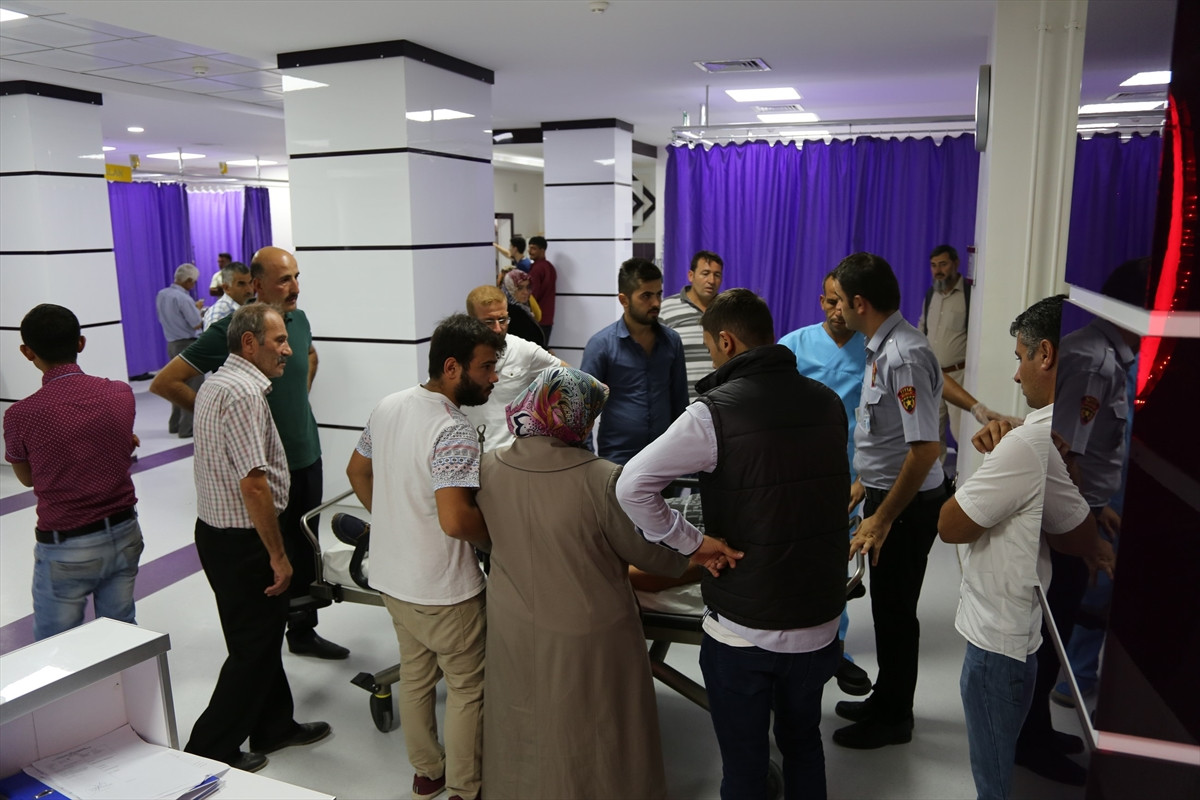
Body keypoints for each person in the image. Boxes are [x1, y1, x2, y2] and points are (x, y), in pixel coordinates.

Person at [619, 288, 848, 800]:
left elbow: (631, 485)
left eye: (709, 347)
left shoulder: (714, 413)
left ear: (725, 341)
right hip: (818, 618)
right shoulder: (827, 402)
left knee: (745, 766)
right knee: (804, 746)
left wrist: (692, 544)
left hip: (745, 629)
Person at [475, 367, 691, 800]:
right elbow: (654, 557)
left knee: (523, 721)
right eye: (591, 415)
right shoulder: (603, 478)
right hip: (590, 630)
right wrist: (699, 553)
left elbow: (487, 537)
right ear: (576, 416)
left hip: (513, 622)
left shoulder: (488, 467)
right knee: (596, 731)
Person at [938, 295, 1115, 800]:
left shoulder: (1028, 445)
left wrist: (997, 463)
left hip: (997, 640)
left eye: (1020, 357)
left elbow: (950, 525)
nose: (1016, 375)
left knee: (992, 780)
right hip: (1017, 634)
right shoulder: (1043, 439)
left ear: (1046, 355)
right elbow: (1075, 534)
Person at [150, 246, 348, 660]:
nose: (295, 287)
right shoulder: (232, 331)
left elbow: (310, 355)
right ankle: (267, 643)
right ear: (257, 284)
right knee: (275, 555)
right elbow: (167, 382)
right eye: (284, 279)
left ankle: (303, 631)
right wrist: (215, 417)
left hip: (307, 455)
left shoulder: (298, 320)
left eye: (297, 277)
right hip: (266, 470)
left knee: (305, 549)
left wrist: (299, 398)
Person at [345, 314, 504, 800]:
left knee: (415, 677)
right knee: (467, 687)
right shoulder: (452, 429)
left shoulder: (388, 406)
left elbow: (357, 471)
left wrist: (392, 521)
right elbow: (456, 521)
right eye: (486, 367)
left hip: (393, 579)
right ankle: (464, 788)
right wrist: (498, 543)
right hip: (444, 590)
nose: (494, 377)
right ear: (452, 367)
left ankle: (427, 772)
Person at [184, 303, 331, 773]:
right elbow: (253, 483)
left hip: (215, 534)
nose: (289, 350)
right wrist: (278, 554)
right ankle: (209, 746)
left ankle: (274, 725)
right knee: (253, 650)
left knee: (257, 640)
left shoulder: (216, 383)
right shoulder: (246, 393)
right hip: (246, 543)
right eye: (279, 341)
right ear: (250, 343)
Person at [1016, 259, 1143, 785]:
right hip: (1067, 522)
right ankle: (1030, 741)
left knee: (1059, 631)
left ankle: (1038, 730)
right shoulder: (1095, 362)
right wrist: (1086, 535)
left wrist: (1099, 507)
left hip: (1082, 511)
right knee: (1049, 637)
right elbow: (1064, 456)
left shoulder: (1104, 354)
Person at [829, 252, 946, 749]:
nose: (835, 310)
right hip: (886, 492)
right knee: (887, 609)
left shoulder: (903, 356)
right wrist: (865, 483)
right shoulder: (882, 347)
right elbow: (889, 437)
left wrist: (880, 519)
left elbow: (924, 450)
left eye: (839, 301)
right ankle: (887, 699)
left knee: (896, 612)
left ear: (860, 303)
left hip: (906, 504)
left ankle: (895, 718)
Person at [4, 304, 142, 641]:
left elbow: (27, 478)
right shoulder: (119, 393)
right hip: (125, 531)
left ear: (27, 352)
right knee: (121, 632)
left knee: (58, 645)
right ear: (80, 342)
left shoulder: (20, 415)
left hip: (66, 544)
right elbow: (121, 448)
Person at [778, 269, 872, 697]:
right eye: (831, 301)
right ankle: (788, 644)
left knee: (837, 565)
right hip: (794, 473)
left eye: (844, 302)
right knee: (789, 559)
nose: (838, 310)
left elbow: (883, 423)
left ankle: (834, 645)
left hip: (847, 476)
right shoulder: (793, 345)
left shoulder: (871, 351)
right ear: (822, 302)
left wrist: (865, 478)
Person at [581, 258, 688, 465]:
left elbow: (680, 402)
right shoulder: (601, 345)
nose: (656, 303)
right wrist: (587, 461)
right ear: (624, 300)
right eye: (646, 296)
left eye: (658, 294)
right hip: (617, 460)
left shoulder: (672, 342)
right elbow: (583, 409)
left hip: (664, 458)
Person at [461, 285, 564, 453]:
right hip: (468, 454)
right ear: (471, 321)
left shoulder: (524, 350)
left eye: (503, 320)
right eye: (489, 322)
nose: (497, 328)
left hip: (513, 457)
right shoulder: (455, 353)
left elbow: (572, 379)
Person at [917, 245, 972, 459]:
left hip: (959, 376)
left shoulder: (969, 294)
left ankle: (963, 475)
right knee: (931, 434)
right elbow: (922, 329)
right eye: (933, 265)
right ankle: (935, 478)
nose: (938, 270)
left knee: (961, 433)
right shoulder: (931, 294)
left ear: (956, 264)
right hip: (932, 375)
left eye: (943, 264)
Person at [659, 249, 724, 401]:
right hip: (681, 404)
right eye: (705, 273)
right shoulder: (666, 309)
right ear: (691, 275)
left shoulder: (727, 310)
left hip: (720, 403)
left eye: (717, 275)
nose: (711, 280)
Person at [155, 262, 204, 438]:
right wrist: (199, 311)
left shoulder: (162, 294)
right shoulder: (184, 298)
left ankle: (175, 424)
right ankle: (187, 428)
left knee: (176, 384)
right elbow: (196, 323)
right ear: (189, 280)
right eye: (194, 282)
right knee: (193, 387)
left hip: (172, 344)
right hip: (188, 344)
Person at [500, 268, 545, 347]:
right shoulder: (511, 312)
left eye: (528, 287)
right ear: (510, 289)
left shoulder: (524, 307)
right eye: (520, 288)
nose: (526, 292)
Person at [203, 261, 254, 330]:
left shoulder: (249, 308)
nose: (249, 289)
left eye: (250, 282)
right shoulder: (218, 315)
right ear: (226, 288)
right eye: (241, 284)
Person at [527, 235, 557, 344]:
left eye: (534, 248)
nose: (530, 251)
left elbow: (532, 295)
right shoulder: (550, 267)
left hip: (537, 318)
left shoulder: (537, 269)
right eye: (529, 248)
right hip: (548, 318)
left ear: (542, 250)